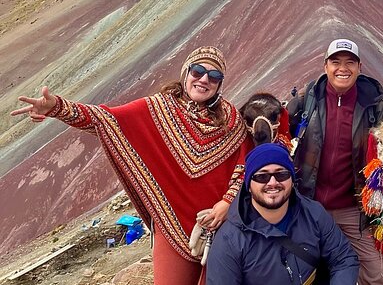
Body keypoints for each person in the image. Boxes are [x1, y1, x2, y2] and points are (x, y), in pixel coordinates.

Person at [11, 47, 254, 285]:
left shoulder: (232, 122)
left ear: (220, 84)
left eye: (214, 76)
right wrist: (57, 108)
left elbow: (247, 169)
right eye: (198, 71)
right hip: (170, 225)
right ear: (186, 72)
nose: (204, 80)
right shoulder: (158, 109)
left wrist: (226, 204)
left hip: (219, 230)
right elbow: (104, 120)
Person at [287, 38, 383, 285]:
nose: (342, 68)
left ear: (359, 67)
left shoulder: (373, 105)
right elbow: (281, 136)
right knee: (300, 273)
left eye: (349, 63)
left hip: (354, 210)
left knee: (378, 275)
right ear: (325, 66)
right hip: (310, 207)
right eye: (336, 62)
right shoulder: (307, 101)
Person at [206, 143, 359, 284]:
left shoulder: (314, 214)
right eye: (262, 176)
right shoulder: (229, 240)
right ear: (249, 186)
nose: (272, 182)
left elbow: (344, 259)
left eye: (281, 174)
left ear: (292, 180)